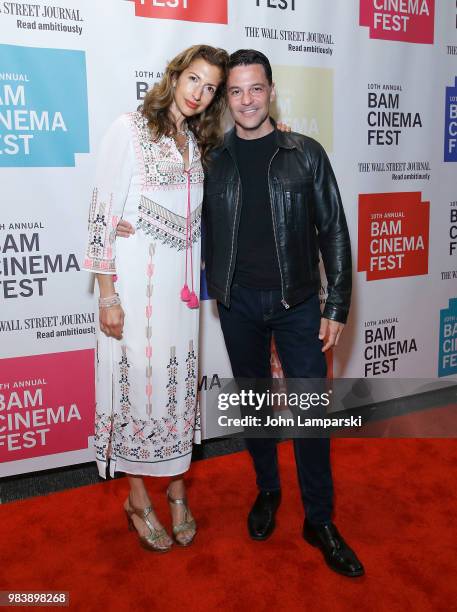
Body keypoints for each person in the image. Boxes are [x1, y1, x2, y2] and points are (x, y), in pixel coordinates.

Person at [202, 49, 364, 577]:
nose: (246, 100)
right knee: (255, 408)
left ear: (271, 90)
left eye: (255, 88)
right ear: (226, 100)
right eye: (235, 91)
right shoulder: (212, 159)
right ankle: (268, 490)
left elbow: (334, 230)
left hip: (298, 303)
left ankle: (319, 519)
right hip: (237, 302)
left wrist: (336, 303)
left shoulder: (306, 153)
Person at [83, 45, 228, 552]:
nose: (199, 94)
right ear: (174, 76)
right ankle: (138, 499)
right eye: (193, 80)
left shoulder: (194, 141)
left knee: (174, 391)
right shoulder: (129, 129)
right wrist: (108, 297)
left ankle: (178, 489)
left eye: (210, 88)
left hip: (181, 299)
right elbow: (102, 213)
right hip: (136, 295)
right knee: (138, 391)